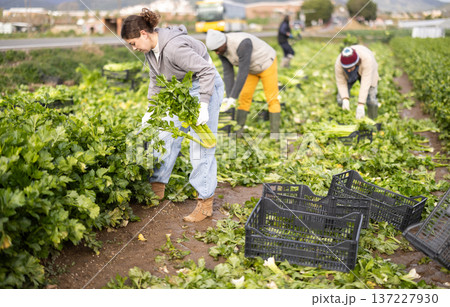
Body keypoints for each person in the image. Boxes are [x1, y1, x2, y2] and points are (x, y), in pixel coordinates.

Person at [121, 8, 224, 222]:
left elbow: (207, 72)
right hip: (182, 90)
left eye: (133, 43)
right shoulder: (151, 51)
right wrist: (151, 110)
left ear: (143, 34)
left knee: (200, 144)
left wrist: (204, 105)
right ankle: (156, 188)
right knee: (165, 133)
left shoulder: (174, 48)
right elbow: (155, 81)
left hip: (205, 86)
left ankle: (205, 203)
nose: (133, 48)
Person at [205, 29, 281, 138]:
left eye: (217, 49)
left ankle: (275, 135)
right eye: (214, 51)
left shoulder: (243, 43)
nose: (216, 52)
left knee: (272, 98)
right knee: (244, 98)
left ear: (223, 43)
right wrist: (229, 96)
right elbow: (228, 72)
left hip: (266, 63)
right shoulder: (221, 50)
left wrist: (233, 96)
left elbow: (242, 71)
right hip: (251, 69)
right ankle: (238, 132)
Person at [335, 45, 379, 119]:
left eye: (350, 68)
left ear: (356, 63)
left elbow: (365, 83)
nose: (348, 70)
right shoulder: (338, 63)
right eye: (346, 68)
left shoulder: (367, 60)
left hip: (368, 71)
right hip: (348, 75)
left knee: (371, 98)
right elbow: (341, 82)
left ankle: (373, 119)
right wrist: (345, 99)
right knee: (340, 98)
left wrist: (361, 104)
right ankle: (342, 119)